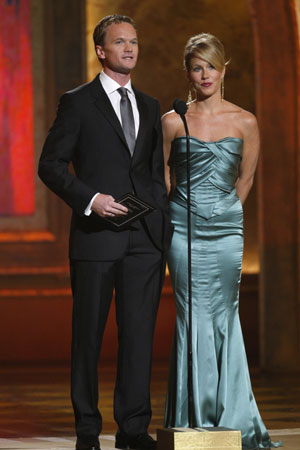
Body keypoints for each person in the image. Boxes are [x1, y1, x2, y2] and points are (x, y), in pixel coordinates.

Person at [38, 14, 172, 450]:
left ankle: (133, 429)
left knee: (138, 337)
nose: (130, 48)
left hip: (144, 241)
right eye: (120, 42)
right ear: (101, 50)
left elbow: (153, 172)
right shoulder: (77, 102)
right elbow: (50, 166)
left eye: (134, 41)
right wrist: (91, 199)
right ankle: (87, 431)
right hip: (96, 237)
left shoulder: (151, 106)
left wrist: (158, 221)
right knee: (88, 338)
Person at [162, 33, 282, 449]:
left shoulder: (245, 121)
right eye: (197, 67)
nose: (204, 74)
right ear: (188, 73)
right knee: (189, 316)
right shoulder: (173, 120)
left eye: (211, 65)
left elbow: (246, 179)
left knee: (223, 316)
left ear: (223, 69)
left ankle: (232, 418)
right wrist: (183, 212)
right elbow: (162, 176)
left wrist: (224, 212)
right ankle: (189, 420)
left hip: (227, 231)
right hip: (182, 231)